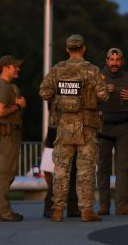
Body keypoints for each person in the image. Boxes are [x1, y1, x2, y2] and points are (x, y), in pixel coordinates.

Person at [39, 34, 110, 222]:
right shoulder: (92, 70)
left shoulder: (57, 70)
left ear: (67, 49)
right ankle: (86, 211)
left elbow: (44, 92)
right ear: (84, 48)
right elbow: (103, 96)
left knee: (61, 169)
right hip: (86, 126)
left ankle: (57, 211)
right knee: (85, 170)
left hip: (64, 126)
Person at [96, 47, 128, 216]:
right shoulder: (98, 77)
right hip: (102, 127)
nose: (114, 63)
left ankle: (122, 205)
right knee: (103, 168)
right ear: (106, 61)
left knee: (124, 168)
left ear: (122, 61)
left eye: (117, 60)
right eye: (111, 60)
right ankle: (104, 205)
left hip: (123, 127)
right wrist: (101, 93)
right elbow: (87, 100)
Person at [0, 55, 26, 222]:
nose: (18, 69)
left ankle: (1, 210)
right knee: (6, 172)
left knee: (7, 172)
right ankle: (2, 212)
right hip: (7, 135)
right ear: (6, 67)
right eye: (15, 66)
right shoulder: (4, 87)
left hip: (8, 134)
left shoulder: (6, 85)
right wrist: (18, 106)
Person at [41, 122, 78, 219]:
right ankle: (50, 206)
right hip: (57, 130)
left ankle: (73, 207)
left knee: (74, 169)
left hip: (74, 129)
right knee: (58, 172)